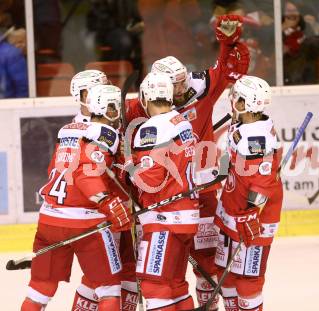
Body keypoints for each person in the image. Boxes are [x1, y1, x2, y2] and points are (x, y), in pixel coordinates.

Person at [124, 14, 250, 310]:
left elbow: (233, 72)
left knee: (206, 263)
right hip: (163, 196)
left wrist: (228, 42)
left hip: (200, 188)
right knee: (169, 269)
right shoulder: (139, 106)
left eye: (182, 82)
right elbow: (122, 139)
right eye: (175, 85)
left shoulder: (200, 87)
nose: (182, 90)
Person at [21, 84, 132, 310]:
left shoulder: (69, 129)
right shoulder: (105, 133)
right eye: (113, 107)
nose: (117, 111)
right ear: (104, 107)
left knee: (39, 289)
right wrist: (106, 200)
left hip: (49, 219)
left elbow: (54, 170)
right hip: (85, 222)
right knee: (108, 289)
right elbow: (86, 174)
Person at [69, 71, 139, 311]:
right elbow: (85, 176)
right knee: (101, 277)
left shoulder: (108, 120)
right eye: (95, 89)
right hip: (102, 211)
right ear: (84, 96)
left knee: (129, 269)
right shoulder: (85, 130)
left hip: (121, 208)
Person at [214, 75, 283, 311]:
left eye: (236, 97)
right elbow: (233, 160)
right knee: (228, 274)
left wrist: (251, 213)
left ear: (246, 104)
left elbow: (263, 181)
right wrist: (222, 172)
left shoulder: (257, 138)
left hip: (252, 216)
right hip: (234, 208)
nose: (232, 99)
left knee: (248, 281)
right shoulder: (243, 124)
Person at [131, 72, 198, 310]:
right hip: (186, 215)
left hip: (164, 219)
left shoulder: (151, 129)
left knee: (155, 286)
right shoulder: (182, 122)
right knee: (175, 285)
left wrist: (129, 167)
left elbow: (150, 179)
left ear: (146, 97)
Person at [0, 27, 28, 98]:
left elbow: (22, 85)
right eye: (18, 42)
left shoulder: (11, 53)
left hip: (8, 105)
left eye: (21, 42)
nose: (21, 45)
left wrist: (19, 107)